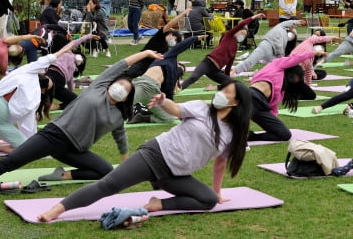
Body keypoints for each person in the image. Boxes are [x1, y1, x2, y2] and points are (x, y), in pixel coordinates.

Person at [37, 79, 252, 222]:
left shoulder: (232, 134)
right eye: (222, 89)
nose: (221, 93)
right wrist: (163, 101)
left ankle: (158, 203)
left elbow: (220, 163)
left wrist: (217, 191)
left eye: (227, 92)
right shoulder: (202, 108)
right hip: (154, 155)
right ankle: (58, 209)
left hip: (176, 174)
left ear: (236, 102)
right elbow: (176, 110)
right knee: (108, 185)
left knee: (208, 200)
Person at [0, 50, 162, 192]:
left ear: (126, 97)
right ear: (110, 84)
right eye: (120, 84)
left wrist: (125, 157)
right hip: (54, 136)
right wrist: (145, 54)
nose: (120, 88)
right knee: (11, 162)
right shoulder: (98, 87)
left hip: (75, 149)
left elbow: (120, 135)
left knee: (107, 172)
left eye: (125, 89)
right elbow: (122, 64)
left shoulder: (117, 115)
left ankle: (61, 176)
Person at [0, 43, 71, 156]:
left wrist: (62, 51)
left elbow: (42, 61)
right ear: (43, 90)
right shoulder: (31, 96)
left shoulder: (24, 77)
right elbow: (27, 124)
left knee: (26, 144)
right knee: (30, 150)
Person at [248, 51, 325, 142]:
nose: (295, 81)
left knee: (285, 134)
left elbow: (273, 108)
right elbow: (296, 58)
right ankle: (239, 134)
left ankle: (250, 136)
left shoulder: (282, 90)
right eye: (297, 77)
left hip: (262, 107)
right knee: (234, 126)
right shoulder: (278, 66)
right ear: (291, 72)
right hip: (251, 97)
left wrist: (274, 123)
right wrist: (312, 53)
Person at [129, 35, 207, 124]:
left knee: (169, 118)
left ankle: (143, 117)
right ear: (178, 63)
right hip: (145, 85)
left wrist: (172, 109)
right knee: (121, 107)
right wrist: (196, 38)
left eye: (182, 71)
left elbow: (168, 97)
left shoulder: (171, 78)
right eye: (181, 67)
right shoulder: (167, 58)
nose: (181, 70)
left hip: (153, 92)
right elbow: (180, 46)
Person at [181, 13, 265, 90]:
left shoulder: (235, 47)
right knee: (193, 77)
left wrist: (227, 78)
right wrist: (254, 17)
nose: (242, 36)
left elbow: (229, 65)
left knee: (233, 83)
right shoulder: (229, 36)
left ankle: (213, 87)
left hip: (215, 71)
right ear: (237, 31)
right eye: (241, 33)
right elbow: (242, 24)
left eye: (244, 35)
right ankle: (178, 88)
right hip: (208, 63)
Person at [124, 8, 189, 79]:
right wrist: (182, 14)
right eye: (175, 40)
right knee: (128, 75)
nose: (174, 42)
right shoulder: (160, 36)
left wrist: (179, 65)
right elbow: (170, 24)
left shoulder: (166, 48)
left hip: (153, 67)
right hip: (143, 62)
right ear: (171, 34)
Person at [231, 19, 304, 75]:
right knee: (250, 60)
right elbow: (288, 23)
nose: (292, 27)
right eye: (292, 26)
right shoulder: (281, 27)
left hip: (273, 53)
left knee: (280, 68)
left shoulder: (286, 37)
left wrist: (281, 58)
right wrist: (298, 21)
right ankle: (233, 71)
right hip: (266, 46)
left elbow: (281, 47)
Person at [47, 34, 96, 111]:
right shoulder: (68, 56)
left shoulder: (68, 61)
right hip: (55, 79)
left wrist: (69, 94)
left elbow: (70, 84)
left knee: (74, 99)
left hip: (52, 80)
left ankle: (48, 104)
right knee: (76, 101)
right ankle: (54, 106)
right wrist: (89, 36)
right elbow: (74, 43)